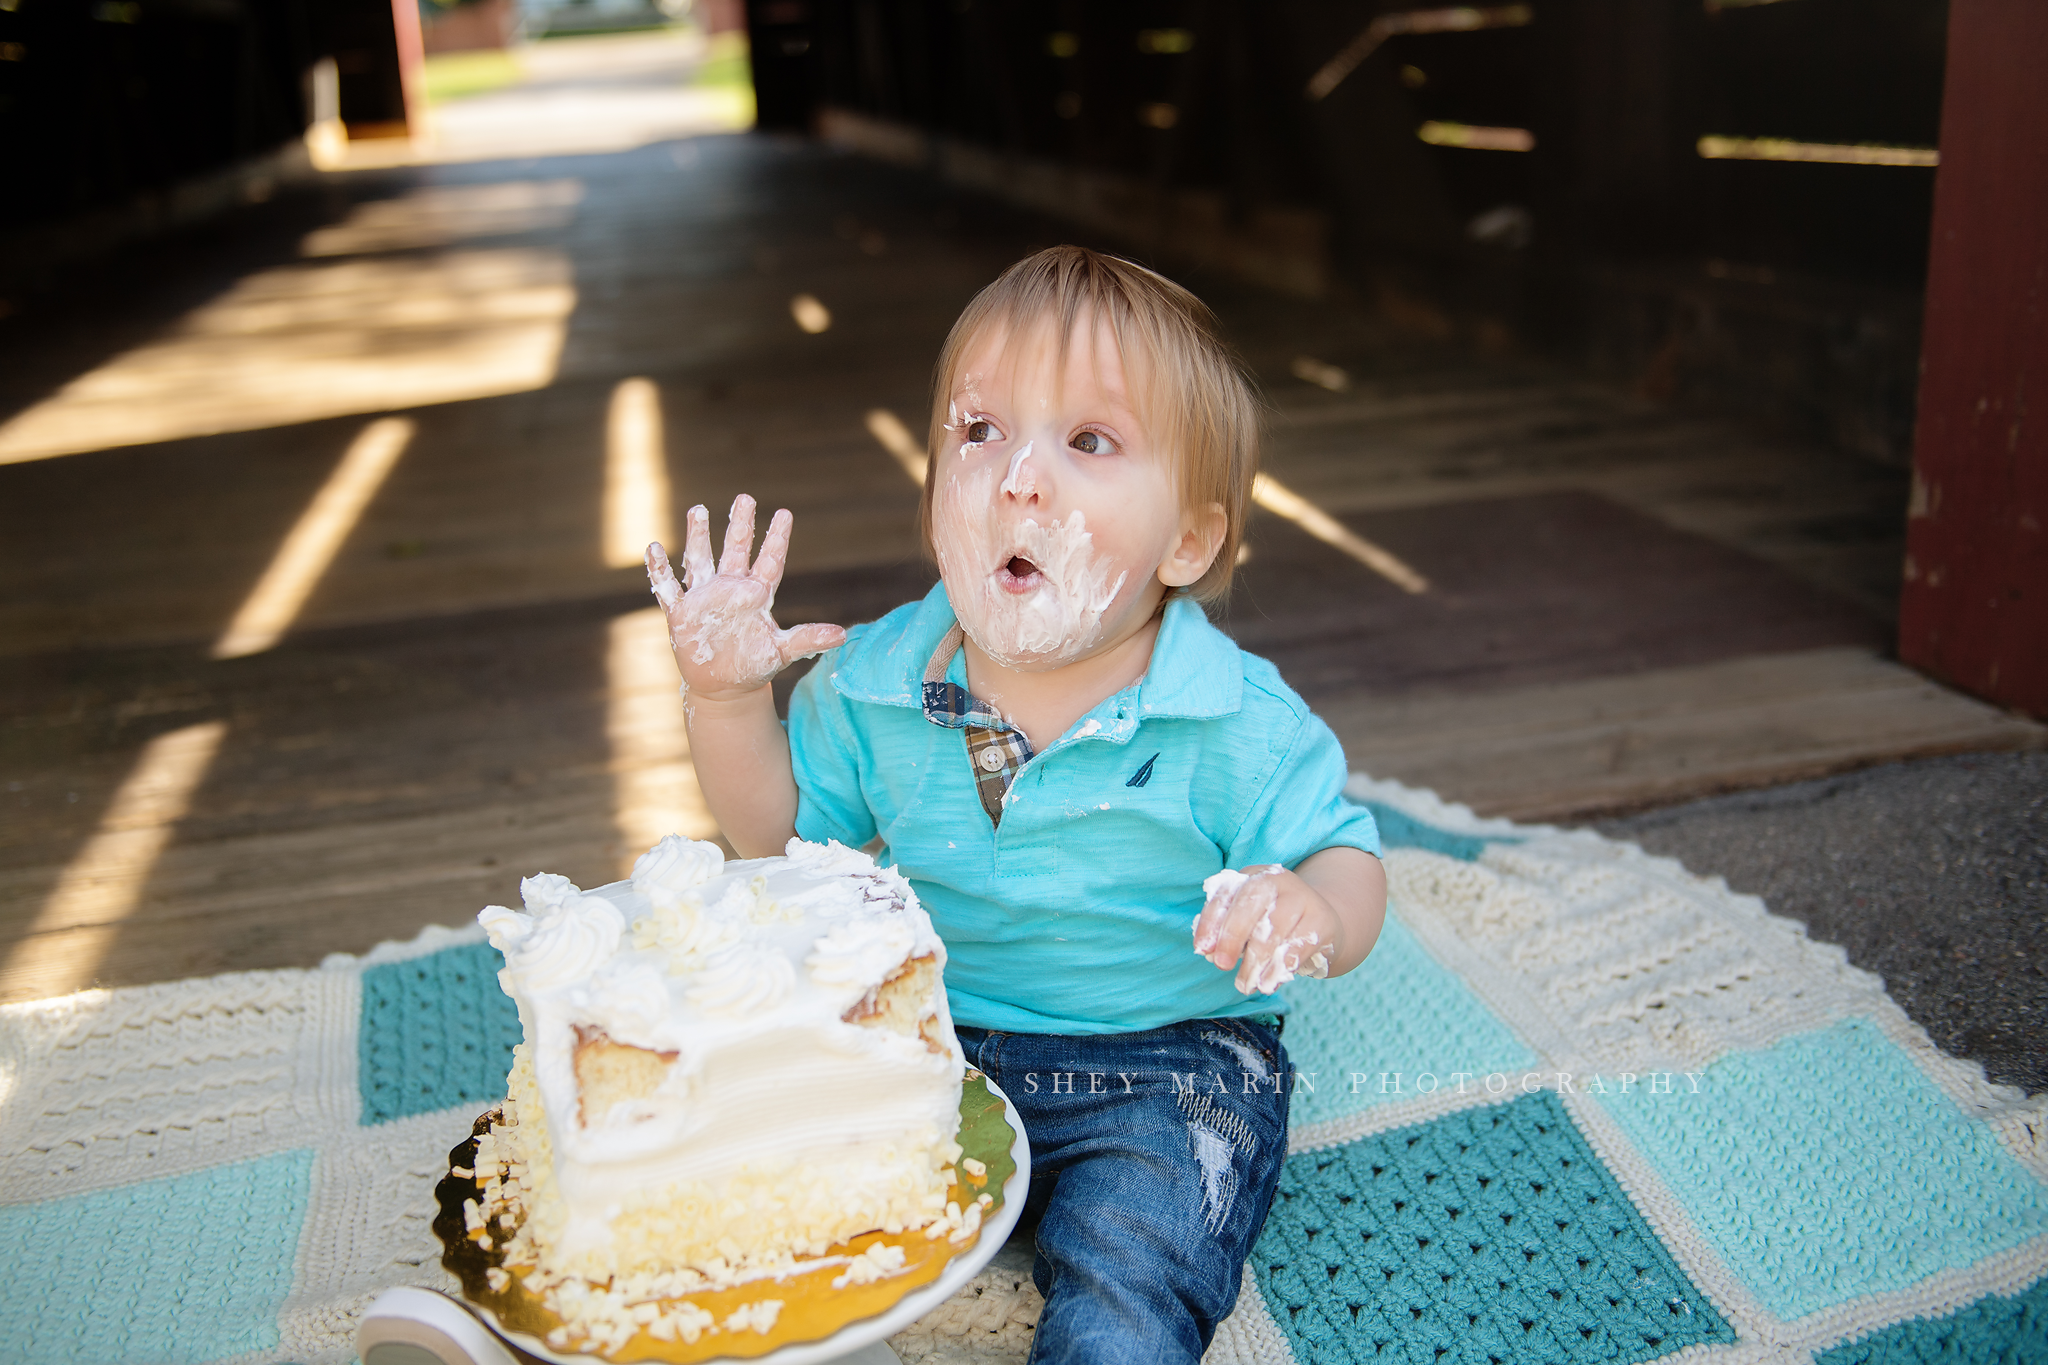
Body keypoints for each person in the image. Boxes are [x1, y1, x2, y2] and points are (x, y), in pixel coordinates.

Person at [645, 245, 1387, 1364]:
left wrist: (1310, 911)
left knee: (1140, 1262)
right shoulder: (874, 680)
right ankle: (608, 1321)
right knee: (755, 1171)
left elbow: (1345, 861)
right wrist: (727, 698)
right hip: (929, 1040)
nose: (1016, 477)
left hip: (1166, 1063)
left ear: (1186, 540)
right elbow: (778, 839)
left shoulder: (1236, 720)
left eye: (1087, 441)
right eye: (979, 431)